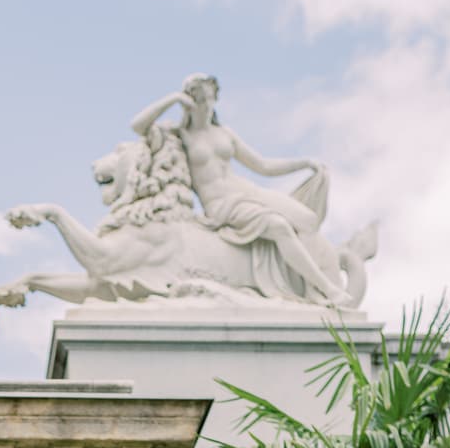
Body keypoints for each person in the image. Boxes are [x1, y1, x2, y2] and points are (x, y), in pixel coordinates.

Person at [130, 73, 348, 306]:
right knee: (279, 226)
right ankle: (327, 289)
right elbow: (138, 126)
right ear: (189, 101)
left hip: (247, 192)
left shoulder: (224, 134)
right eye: (199, 99)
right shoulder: (180, 135)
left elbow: (263, 165)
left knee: (307, 220)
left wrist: (303, 163)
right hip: (221, 205)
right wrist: (172, 98)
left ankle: (312, 291)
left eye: (210, 98)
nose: (205, 105)